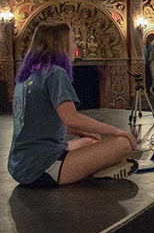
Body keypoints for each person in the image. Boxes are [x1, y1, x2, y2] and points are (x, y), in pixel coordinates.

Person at [8, 22, 138, 186]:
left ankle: (98, 168)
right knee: (123, 143)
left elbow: (43, 121)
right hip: (41, 168)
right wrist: (117, 131)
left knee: (91, 140)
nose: (75, 45)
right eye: (72, 39)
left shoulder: (27, 75)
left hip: (20, 165)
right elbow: (71, 118)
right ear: (60, 43)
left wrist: (82, 132)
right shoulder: (54, 73)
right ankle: (100, 171)